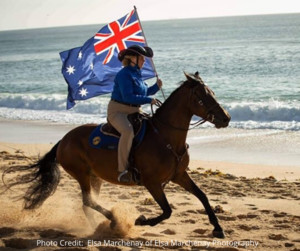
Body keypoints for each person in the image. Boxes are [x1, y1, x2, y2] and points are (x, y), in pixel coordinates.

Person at [107, 45, 163, 183]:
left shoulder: (137, 73)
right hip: (118, 111)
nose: (144, 61)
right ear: (132, 58)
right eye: (142, 58)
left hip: (135, 110)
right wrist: (149, 100)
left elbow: (143, 93)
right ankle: (122, 170)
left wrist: (156, 87)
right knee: (127, 132)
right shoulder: (123, 74)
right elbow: (128, 97)